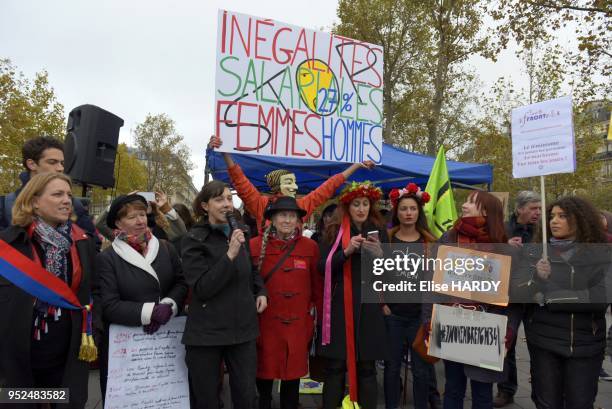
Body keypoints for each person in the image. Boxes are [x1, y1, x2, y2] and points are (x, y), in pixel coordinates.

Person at [0, 173, 97, 409]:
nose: (67, 200)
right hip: (20, 356)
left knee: (63, 401)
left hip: (68, 354)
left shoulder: (82, 243)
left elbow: (95, 291)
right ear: (33, 201)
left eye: (68, 195)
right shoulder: (9, 245)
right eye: (57, 194)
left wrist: (95, 328)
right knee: (22, 403)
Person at [513, 196, 610, 409]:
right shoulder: (535, 252)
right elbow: (517, 291)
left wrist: (547, 297)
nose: (554, 221)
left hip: (585, 344)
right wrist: (537, 278)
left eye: (562, 216)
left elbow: (598, 299)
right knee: (546, 402)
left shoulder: (602, 253)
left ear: (581, 220)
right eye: (551, 216)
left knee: (580, 402)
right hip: (543, 343)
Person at [426, 191, 518, 409]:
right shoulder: (449, 238)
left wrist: (509, 331)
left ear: (485, 211)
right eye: (465, 200)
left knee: (482, 392)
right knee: (453, 389)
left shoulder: (502, 246)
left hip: (486, 327)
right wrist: (427, 320)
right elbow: (431, 283)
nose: (464, 205)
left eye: (470, 202)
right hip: (451, 322)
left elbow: (514, 300)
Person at [181, 180, 268, 409]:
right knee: (207, 398)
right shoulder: (194, 239)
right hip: (207, 334)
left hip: (242, 330)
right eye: (219, 199)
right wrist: (229, 255)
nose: (227, 204)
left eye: (229, 198)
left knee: (247, 396)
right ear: (204, 206)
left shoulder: (240, 232)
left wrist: (260, 290)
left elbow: (251, 268)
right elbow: (202, 288)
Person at [94, 194, 188, 399]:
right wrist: (149, 312)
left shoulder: (166, 248)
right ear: (117, 222)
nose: (140, 221)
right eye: (131, 217)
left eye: (142, 215)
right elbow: (109, 305)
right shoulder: (107, 258)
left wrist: (169, 305)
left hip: (165, 341)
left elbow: (181, 283)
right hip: (128, 347)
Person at [208, 135, 375, 232]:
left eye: (295, 183)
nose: (295, 187)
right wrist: (225, 152)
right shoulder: (261, 205)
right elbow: (240, 181)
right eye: (289, 182)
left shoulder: (302, 205)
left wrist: (355, 166)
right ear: (275, 186)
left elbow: (328, 187)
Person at [318, 181, 388, 409]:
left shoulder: (380, 232)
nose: (361, 209)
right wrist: (346, 252)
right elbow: (322, 268)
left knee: (367, 368)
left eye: (365, 204)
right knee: (336, 367)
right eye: (356, 204)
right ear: (347, 206)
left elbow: (390, 274)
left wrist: (381, 257)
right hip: (339, 308)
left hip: (368, 308)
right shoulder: (332, 231)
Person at [250, 196, 322, 409]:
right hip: (265, 322)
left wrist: (317, 315)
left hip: (298, 323)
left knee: (293, 375)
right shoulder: (254, 245)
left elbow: (317, 285)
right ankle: (264, 402)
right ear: (272, 218)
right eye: (283, 215)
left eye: (292, 216)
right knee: (263, 371)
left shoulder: (310, 247)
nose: (288, 220)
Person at [383, 183, 441, 409]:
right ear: (396, 212)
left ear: (419, 212)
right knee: (391, 368)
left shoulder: (430, 242)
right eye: (404, 208)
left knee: (421, 370)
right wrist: (382, 304)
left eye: (413, 209)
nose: (408, 213)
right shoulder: (386, 239)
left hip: (420, 316)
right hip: (393, 315)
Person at [0, 136, 98, 245]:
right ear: (32, 164)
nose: (60, 168)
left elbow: (92, 245)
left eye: (62, 163)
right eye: (52, 162)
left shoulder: (74, 204)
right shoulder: (5, 205)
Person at [495, 190, 541, 407]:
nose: (538, 212)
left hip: (535, 298)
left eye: (540, 208)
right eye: (534, 208)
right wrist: (505, 246)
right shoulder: (502, 229)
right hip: (509, 297)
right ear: (520, 208)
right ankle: (506, 390)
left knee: (539, 347)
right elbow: (490, 256)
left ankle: (541, 392)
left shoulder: (543, 232)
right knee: (506, 345)